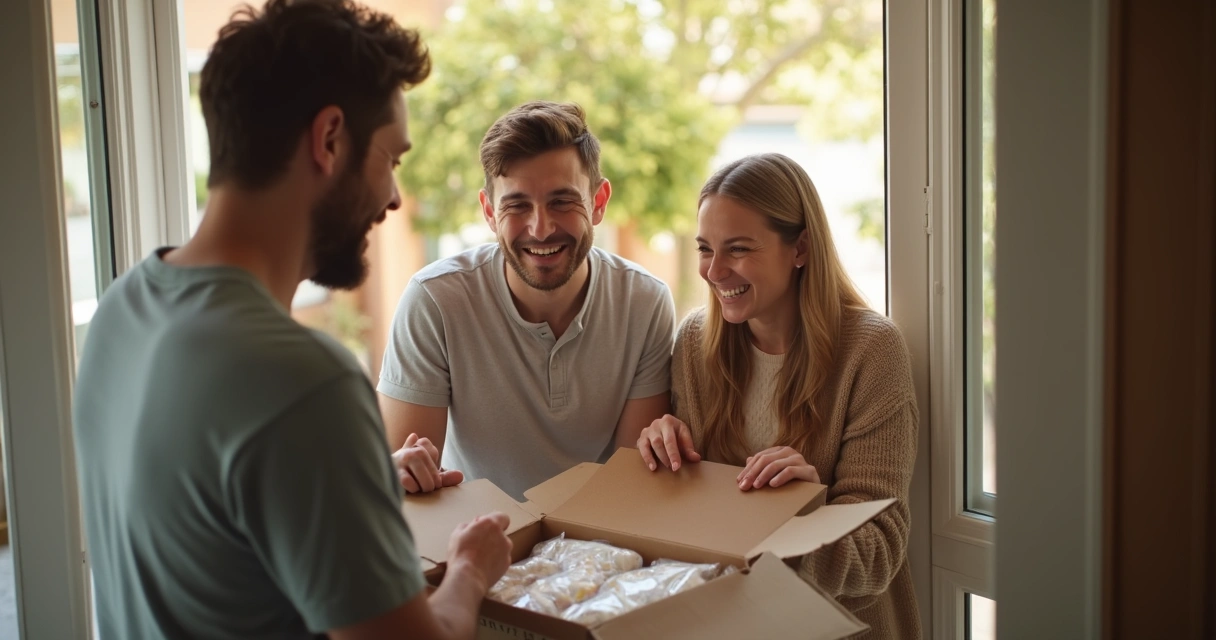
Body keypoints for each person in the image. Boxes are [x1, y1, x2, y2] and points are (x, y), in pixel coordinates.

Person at [72, 2, 512, 638]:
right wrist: (471, 569)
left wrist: (346, 481)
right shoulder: (304, 383)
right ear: (329, 139)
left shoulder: (124, 309)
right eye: (391, 158)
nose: (392, 196)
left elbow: (207, 525)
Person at [637, 153, 921, 639]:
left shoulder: (871, 351)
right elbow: (696, 519)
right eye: (706, 249)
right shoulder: (694, 342)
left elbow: (879, 555)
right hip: (724, 621)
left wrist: (804, 515)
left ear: (801, 248)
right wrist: (664, 448)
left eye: (739, 249)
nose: (714, 271)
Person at [378, 101, 676, 501]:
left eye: (562, 201)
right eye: (517, 205)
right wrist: (399, 471)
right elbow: (409, 484)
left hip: (599, 543)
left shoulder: (645, 302)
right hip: (476, 538)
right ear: (488, 211)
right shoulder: (434, 301)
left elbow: (628, 479)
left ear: (599, 202)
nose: (541, 228)